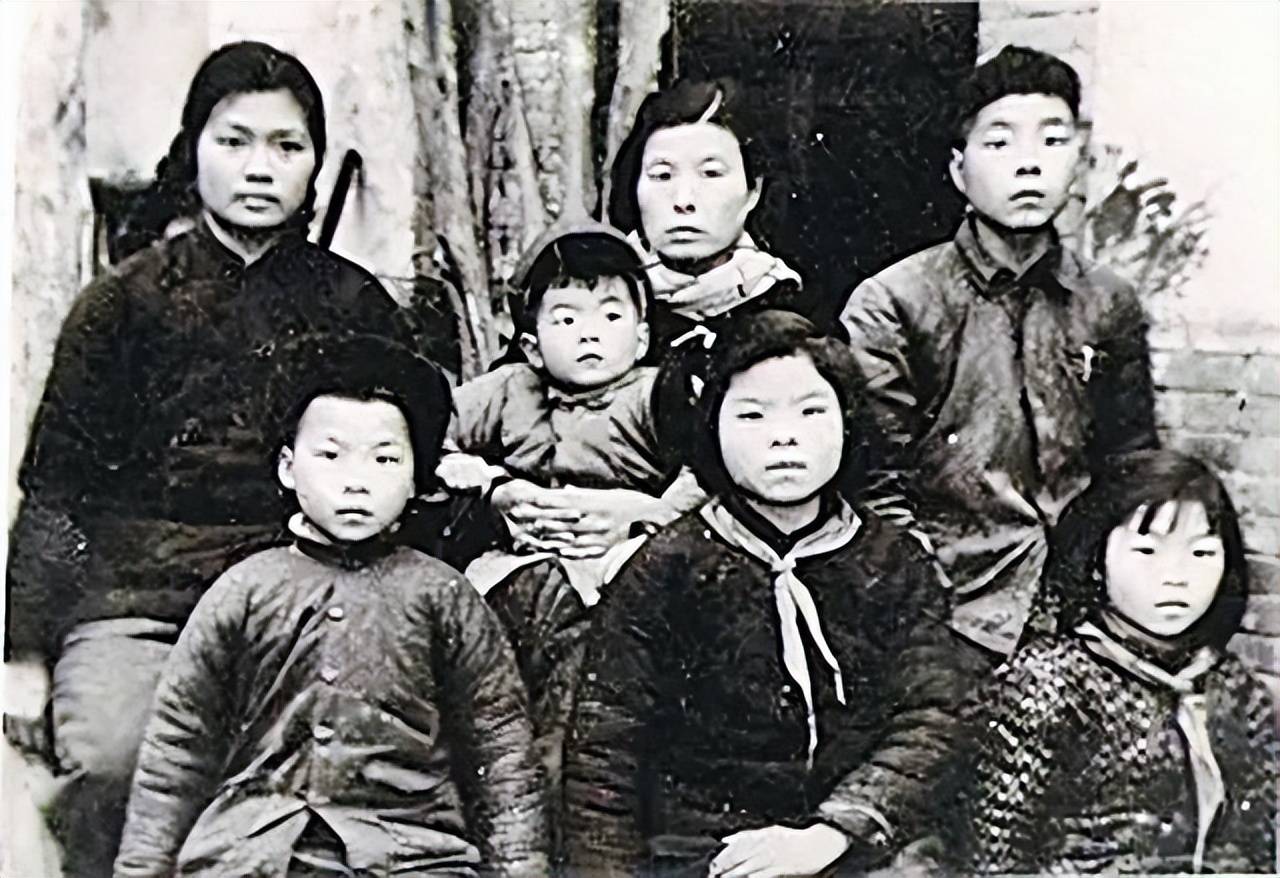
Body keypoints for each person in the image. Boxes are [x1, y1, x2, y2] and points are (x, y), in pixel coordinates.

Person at [4, 41, 423, 875]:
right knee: (116, 761)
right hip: (141, 604)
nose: (259, 168)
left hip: (310, 596)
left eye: (287, 145)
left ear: (314, 163)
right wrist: (21, 656)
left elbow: (401, 477)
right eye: (234, 141)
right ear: (192, 148)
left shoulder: (356, 305)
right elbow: (58, 491)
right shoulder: (120, 304)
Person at [113, 335, 546, 877]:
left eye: (384, 459)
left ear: (418, 478)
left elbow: (500, 751)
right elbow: (178, 748)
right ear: (288, 468)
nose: (356, 481)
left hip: (410, 857)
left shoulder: (444, 597)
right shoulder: (243, 591)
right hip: (256, 855)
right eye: (330, 455)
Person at [563, 311, 971, 877]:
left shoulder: (893, 561)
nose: (784, 436)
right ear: (713, 428)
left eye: (812, 412)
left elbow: (932, 716)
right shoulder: (666, 568)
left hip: (857, 845)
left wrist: (834, 832)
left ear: (848, 423)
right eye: (752, 415)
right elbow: (606, 751)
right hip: (708, 850)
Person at [838, 46, 1158, 657]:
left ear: (1079, 163)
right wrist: (924, 599)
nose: (1029, 164)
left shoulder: (1109, 302)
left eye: (1053, 140)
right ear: (959, 170)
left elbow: (1133, 464)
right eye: (1000, 142)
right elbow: (874, 483)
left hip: (1087, 612)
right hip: (948, 611)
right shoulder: (895, 301)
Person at [435, 224, 700, 852]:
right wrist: (493, 486)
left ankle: (568, 825)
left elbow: (708, 467)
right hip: (515, 568)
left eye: (611, 315)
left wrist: (651, 513)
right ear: (530, 344)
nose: (590, 333)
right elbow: (424, 429)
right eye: (566, 318)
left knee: (581, 699)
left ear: (642, 336)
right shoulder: (508, 390)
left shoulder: (657, 394)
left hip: (618, 568)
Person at [966, 450, 1276, 874]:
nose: (1176, 576)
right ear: (1098, 558)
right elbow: (993, 857)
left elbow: (1261, 844)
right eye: (1147, 551)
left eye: (1201, 554)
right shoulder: (1048, 687)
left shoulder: (1235, 691)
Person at [609, 78, 813, 466]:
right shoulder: (596, 298)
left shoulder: (793, 311)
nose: (683, 201)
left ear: (753, 191)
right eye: (662, 176)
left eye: (711, 174)